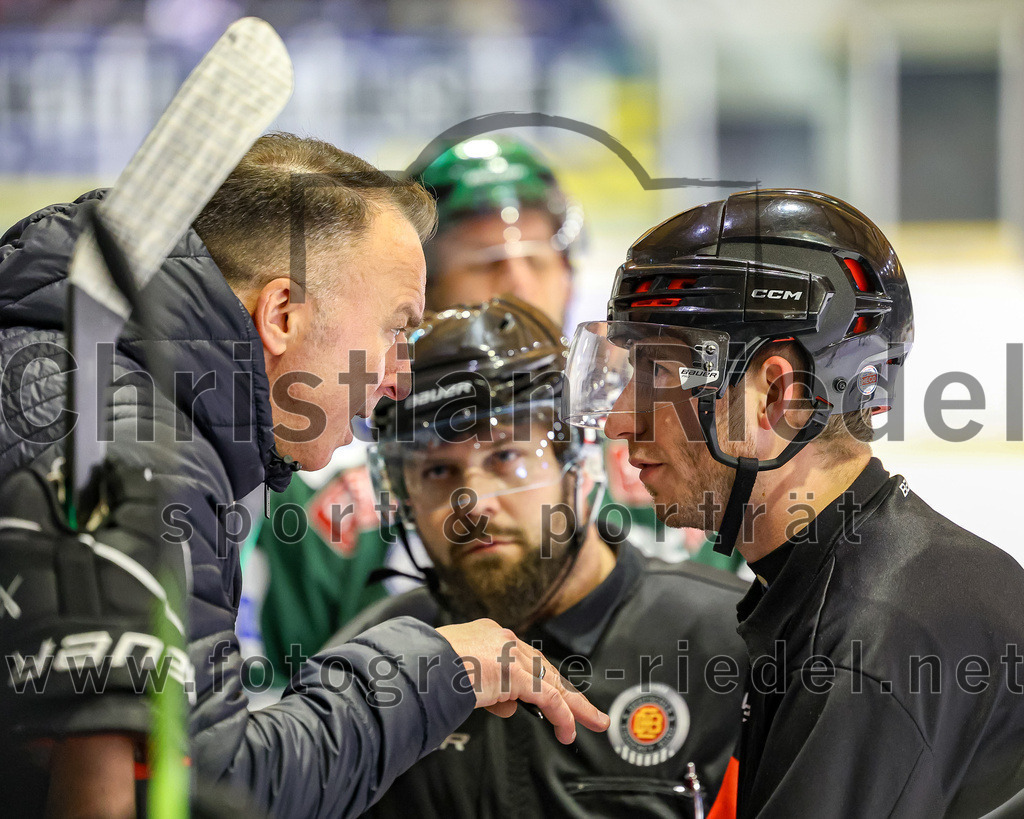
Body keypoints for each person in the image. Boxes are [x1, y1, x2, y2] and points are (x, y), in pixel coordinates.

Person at [0, 133, 607, 817]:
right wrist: (437, 669)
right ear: (283, 315)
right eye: (396, 329)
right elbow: (194, 793)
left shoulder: (102, 397)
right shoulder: (131, 450)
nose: (400, 375)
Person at [561, 188, 1024, 817]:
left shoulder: (875, 640)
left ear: (774, 394)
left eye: (658, 376)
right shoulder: (860, 583)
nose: (620, 421)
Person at [252, 135, 721, 689]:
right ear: (418, 286)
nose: (520, 284)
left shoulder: (661, 455)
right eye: (487, 261)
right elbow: (285, 716)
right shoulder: (324, 494)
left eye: (538, 259)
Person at [331, 295, 749, 816]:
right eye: (438, 471)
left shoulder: (736, 644)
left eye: (506, 456)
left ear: (575, 462)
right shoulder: (375, 668)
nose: (472, 503)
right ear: (404, 498)